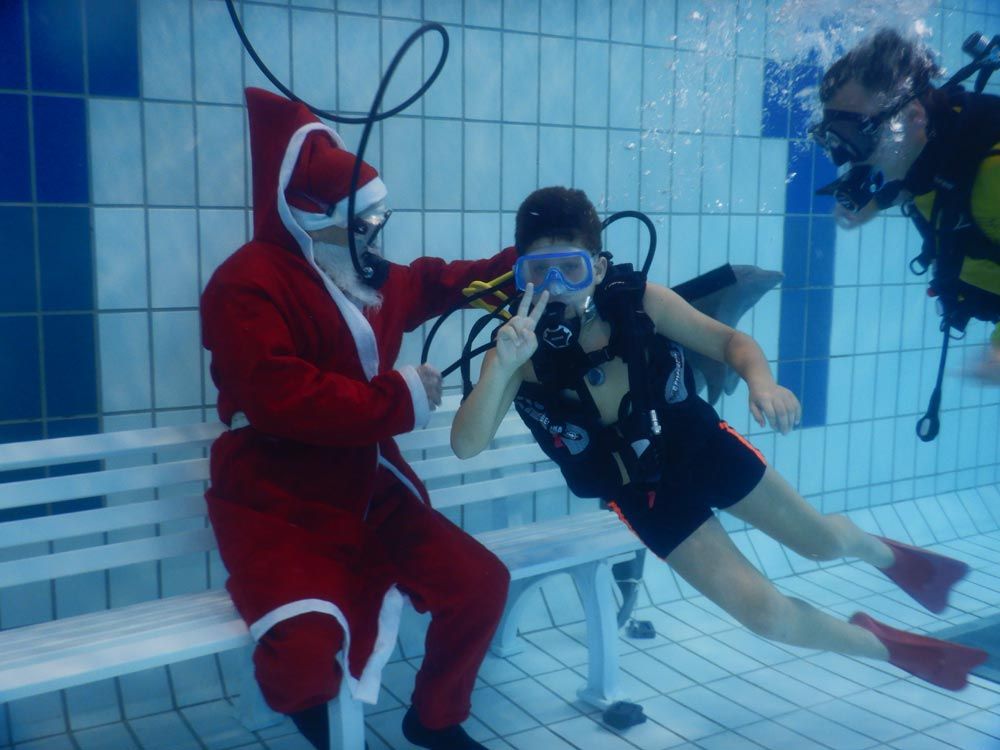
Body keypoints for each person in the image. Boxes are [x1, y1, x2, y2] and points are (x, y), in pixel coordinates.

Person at [451, 186, 988, 693]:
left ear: (600, 267)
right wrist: (503, 366)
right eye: (538, 271)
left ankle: (883, 554)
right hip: (643, 492)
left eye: (571, 268)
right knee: (766, 617)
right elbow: (466, 445)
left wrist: (762, 382)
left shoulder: (641, 304)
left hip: (705, 451)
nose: (556, 286)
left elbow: (732, 342)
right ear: (520, 275)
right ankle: (887, 647)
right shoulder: (515, 355)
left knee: (820, 543)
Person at [200, 87, 518, 750]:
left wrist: (521, 269)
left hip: (370, 491)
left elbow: (437, 282)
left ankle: (435, 719)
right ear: (308, 217)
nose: (375, 238)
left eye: (378, 222)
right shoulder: (245, 283)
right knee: (303, 654)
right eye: (364, 225)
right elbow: (280, 397)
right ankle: (322, 721)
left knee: (480, 584)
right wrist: (399, 399)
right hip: (278, 502)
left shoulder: (363, 272)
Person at [812, 28, 1000, 387]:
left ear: (913, 115)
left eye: (857, 135)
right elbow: (925, 179)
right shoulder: (927, 143)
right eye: (832, 136)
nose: (844, 156)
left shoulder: (994, 172)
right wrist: (878, 202)